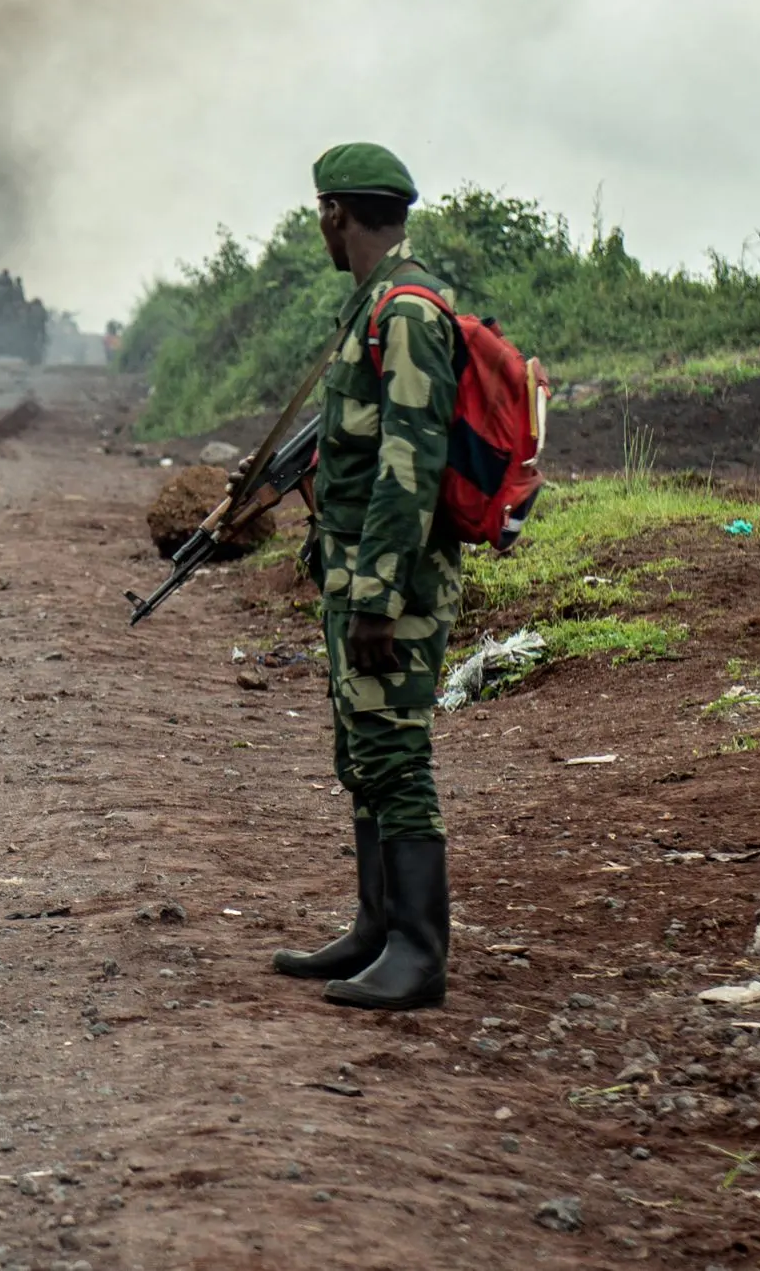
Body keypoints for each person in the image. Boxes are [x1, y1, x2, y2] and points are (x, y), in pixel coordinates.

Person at [266, 141, 457, 1011]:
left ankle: (418, 952)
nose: (320, 228)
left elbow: (409, 464)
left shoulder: (407, 310)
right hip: (359, 572)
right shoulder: (375, 302)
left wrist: (377, 595)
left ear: (337, 212)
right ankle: (377, 928)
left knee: (395, 751)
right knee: (363, 751)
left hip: (396, 582)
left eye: (321, 214)